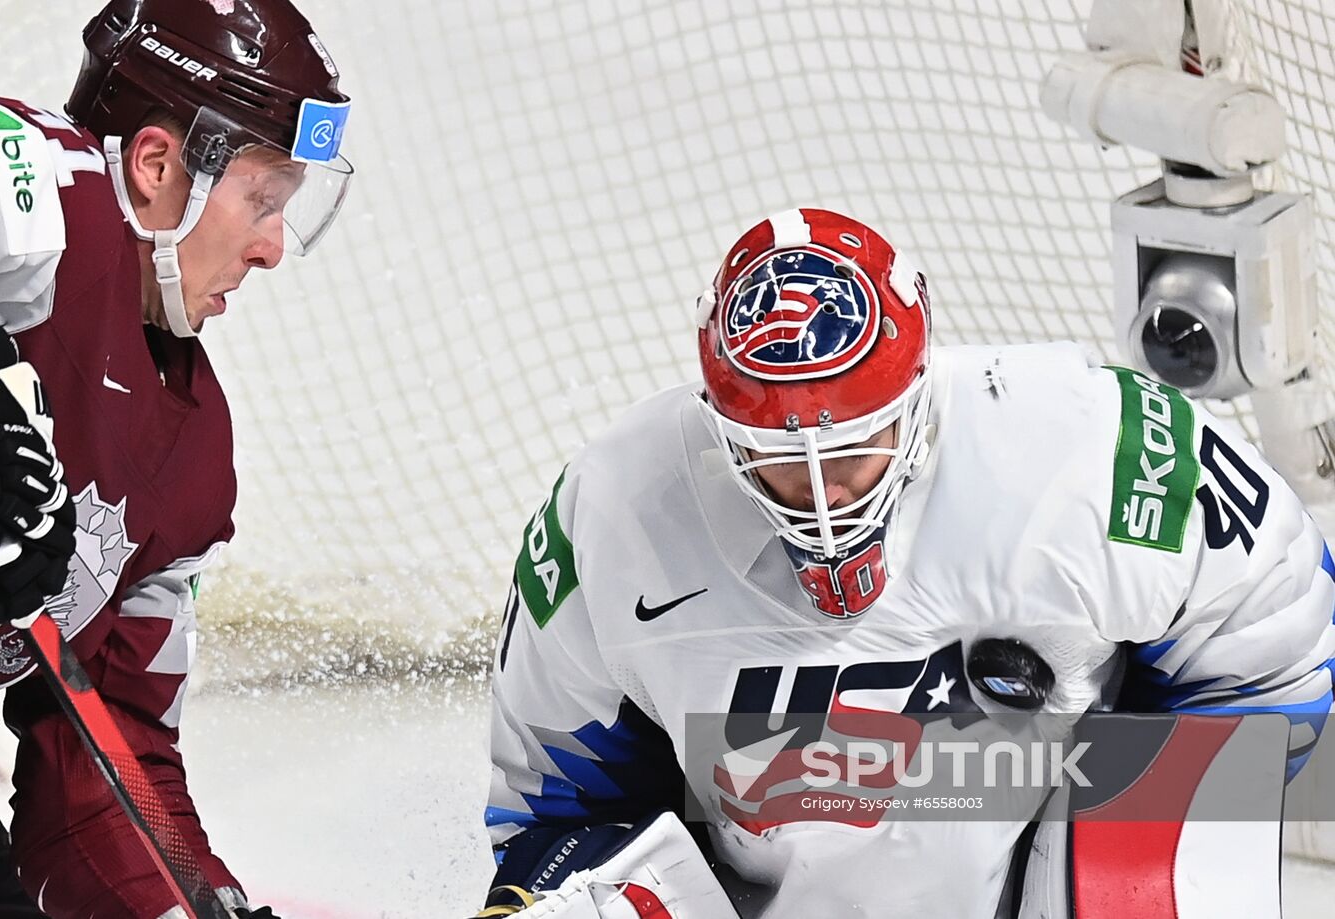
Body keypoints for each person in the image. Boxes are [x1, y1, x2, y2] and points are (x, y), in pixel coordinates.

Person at [478, 208, 1335, 917]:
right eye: (777, 457)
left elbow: (1278, 646)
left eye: (855, 445)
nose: (824, 494)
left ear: (919, 391)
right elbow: (552, 805)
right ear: (719, 425)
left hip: (1050, 887)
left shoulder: (1085, 444)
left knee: (1158, 875)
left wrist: (1115, 814)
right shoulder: (613, 511)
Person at [0, 0, 352, 915]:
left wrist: (184, 901)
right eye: (264, 198)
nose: (273, 247)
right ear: (157, 164)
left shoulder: (191, 466)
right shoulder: (46, 194)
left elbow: (106, 758)